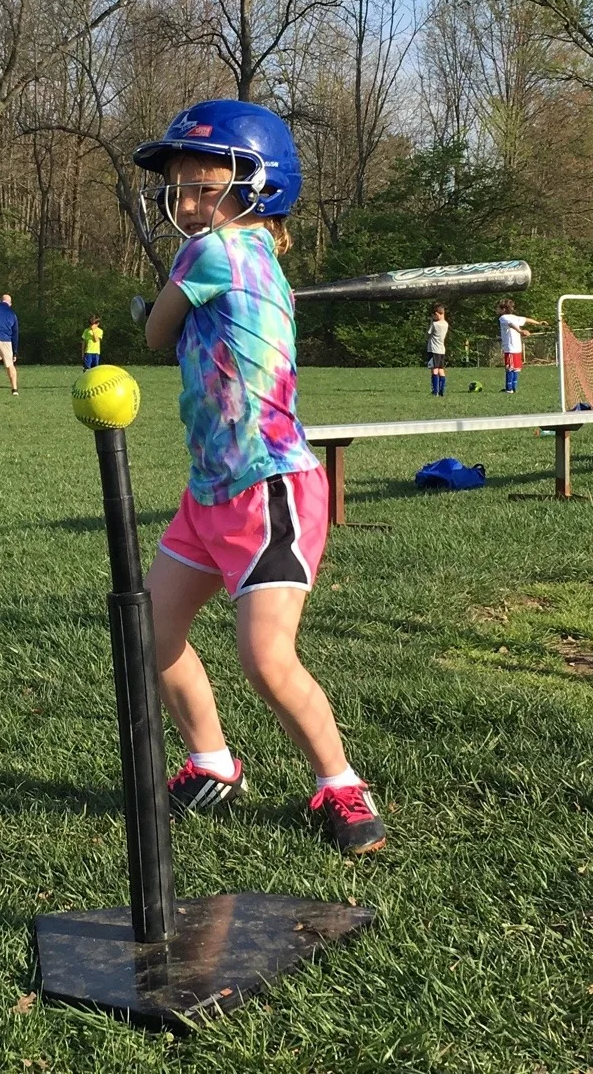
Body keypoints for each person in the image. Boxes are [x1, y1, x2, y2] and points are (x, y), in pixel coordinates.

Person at [133, 98, 386, 856]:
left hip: (268, 486)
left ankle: (341, 785)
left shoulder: (210, 255)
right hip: (210, 489)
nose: (186, 204)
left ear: (258, 187)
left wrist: (162, 308)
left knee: (266, 657)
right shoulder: (253, 258)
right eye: (179, 188)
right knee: (151, 633)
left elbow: (154, 334)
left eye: (205, 187)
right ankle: (212, 762)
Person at [497, 299, 547, 394]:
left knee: (509, 367)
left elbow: (510, 324)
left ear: (503, 309)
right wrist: (538, 322)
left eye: (498, 308)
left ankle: (509, 389)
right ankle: (514, 387)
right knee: (515, 368)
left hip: (510, 347)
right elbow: (526, 319)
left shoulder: (503, 317)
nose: (497, 310)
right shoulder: (515, 317)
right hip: (517, 347)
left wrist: (520, 331)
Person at [427, 303, 448, 397]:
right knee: (441, 370)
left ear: (437, 314)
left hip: (434, 349)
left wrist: (431, 322)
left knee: (434, 370)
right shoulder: (446, 324)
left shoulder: (435, 324)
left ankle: (435, 391)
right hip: (442, 349)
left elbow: (428, 333)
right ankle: (442, 390)